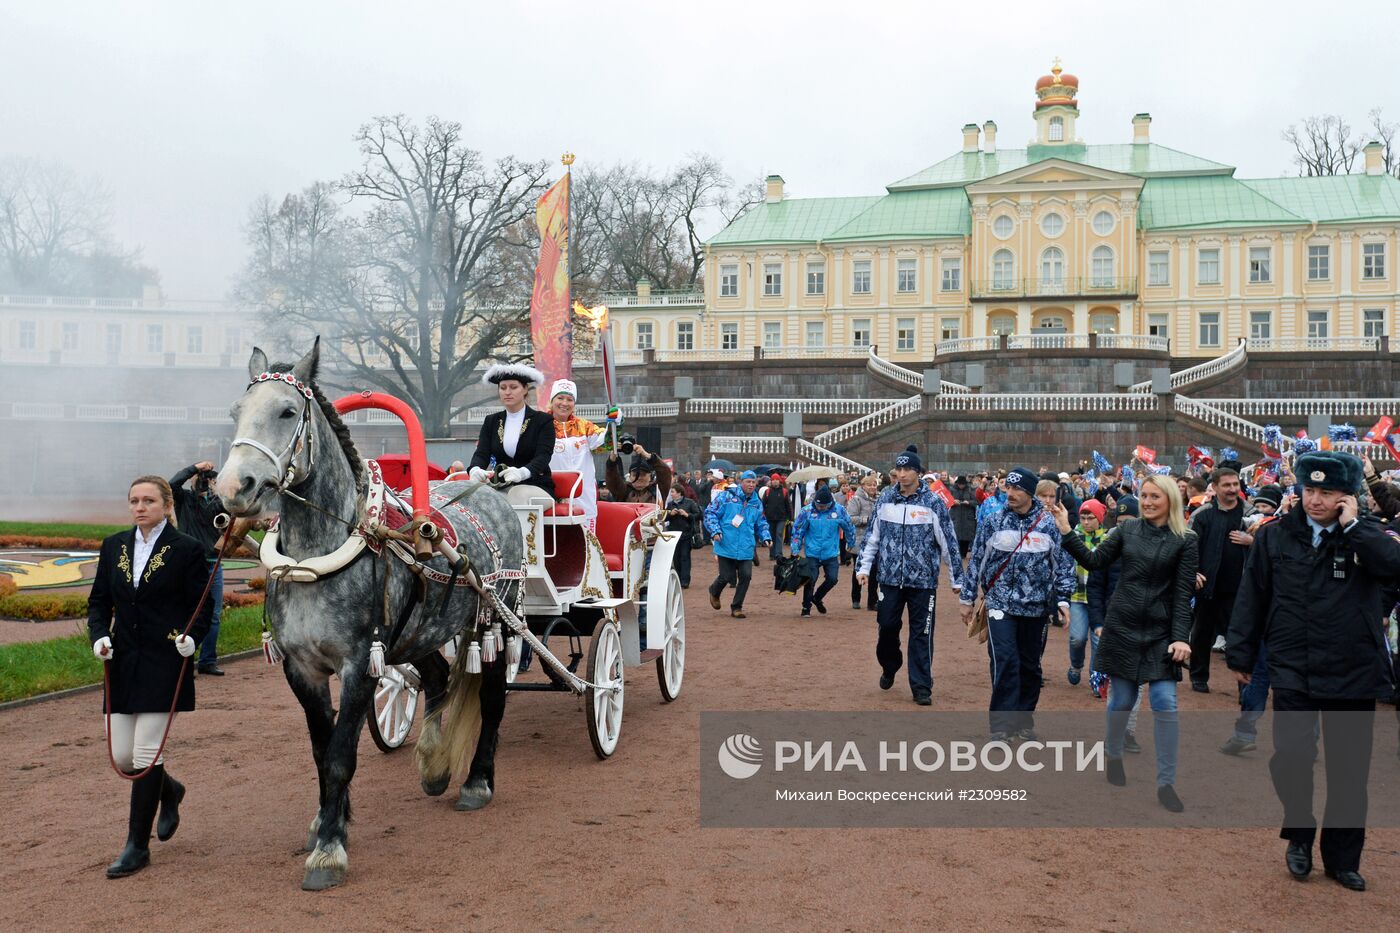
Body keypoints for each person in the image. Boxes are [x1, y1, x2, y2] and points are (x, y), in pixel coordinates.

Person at [1227, 451, 1400, 891]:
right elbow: (1253, 595)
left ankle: (1342, 859)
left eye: (1327, 492)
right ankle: (1299, 835)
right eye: (1309, 490)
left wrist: (1355, 527)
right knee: (1292, 759)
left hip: (1352, 668)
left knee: (1348, 771)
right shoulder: (1275, 537)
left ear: (1348, 496)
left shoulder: (1368, 535)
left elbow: (1393, 567)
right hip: (1293, 666)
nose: (1316, 500)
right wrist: (1242, 654)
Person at [88, 475, 215, 878]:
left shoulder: (187, 550)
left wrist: (192, 640)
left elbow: (202, 605)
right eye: (133, 501)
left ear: (166, 505)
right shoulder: (113, 547)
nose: (139, 507)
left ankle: (135, 848)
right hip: (122, 661)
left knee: (145, 757)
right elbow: (98, 602)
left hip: (166, 660)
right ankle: (170, 790)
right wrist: (99, 637)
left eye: (148, 500)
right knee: (125, 759)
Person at [1053, 475, 1197, 813]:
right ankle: (1113, 753)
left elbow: (1182, 592)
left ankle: (1166, 783)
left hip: (1162, 632)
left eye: (1154, 497)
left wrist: (1180, 637)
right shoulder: (1126, 531)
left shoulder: (1186, 540)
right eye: (1144, 495)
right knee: (1121, 701)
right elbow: (1094, 562)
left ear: (1171, 501)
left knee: (1165, 703)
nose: (1146, 502)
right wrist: (1065, 530)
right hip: (1123, 626)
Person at [960, 466, 1074, 738]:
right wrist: (967, 597)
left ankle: (1023, 721)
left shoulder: (1049, 524)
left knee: (1030, 666)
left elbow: (1063, 565)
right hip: (1000, 604)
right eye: (1008, 488)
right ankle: (1001, 727)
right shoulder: (993, 521)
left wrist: (1064, 600)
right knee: (1005, 660)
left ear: (1030, 492)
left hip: (1036, 607)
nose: (1010, 493)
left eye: (1017, 489)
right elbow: (977, 561)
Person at [857, 446, 963, 706]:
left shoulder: (933, 502)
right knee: (887, 628)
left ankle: (921, 685)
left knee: (922, 633)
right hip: (890, 578)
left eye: (907, 470)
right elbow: (873, 536)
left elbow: (948, 541)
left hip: (923, 581)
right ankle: (890, 665)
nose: (902, 475)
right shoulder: (885, 498)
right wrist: (863, 567)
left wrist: (957, 579)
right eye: (899, 470)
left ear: (917, 472)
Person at [1188, 466, 1250, 692]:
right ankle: (1199, 676)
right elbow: (1189, 547)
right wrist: (1193, 572)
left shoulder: (1250, 513)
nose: (1233, 489)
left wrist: (1251, 541)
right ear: (1214, 487)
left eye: (1235, 484)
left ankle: (1245, 685)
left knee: (1240, 637)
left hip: (1241, 589)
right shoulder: (1202, 514)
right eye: (1227, 485)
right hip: (1208, 586)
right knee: (1202, 633)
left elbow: (1269, 544)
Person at [169, 460, 227, 676]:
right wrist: (195, 468)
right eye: (200, 479)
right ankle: (185, 661)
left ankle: (208, 661)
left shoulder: (217, 502)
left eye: (208, 478)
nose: (203, 482)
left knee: (214, 614)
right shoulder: (183, 499)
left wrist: (217, 489)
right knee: (186, 613)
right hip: (188, 565)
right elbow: (172, 483)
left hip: (213, 564)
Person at [469, 363, 554, 506]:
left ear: (525, 389)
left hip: (537, 486)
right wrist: (475, 469)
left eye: (513, 387)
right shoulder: (491, 421)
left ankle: (523, 530)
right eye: (503, 388)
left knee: (517, 494)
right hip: (501, 486)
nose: (507, 392)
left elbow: (543, 456)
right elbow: (481, 453)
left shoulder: (542, 420)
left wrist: (522, 472)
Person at [703, 470, 772, 619]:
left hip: (746, 546)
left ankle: (737, 607)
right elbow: (710, 513)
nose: (751, 485)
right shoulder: (726, 496)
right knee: (726, 576)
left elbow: (761, 522)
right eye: (748, 481)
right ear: (741, 482)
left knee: (746, 576)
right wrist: (715, 531)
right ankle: (714, 591)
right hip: (726, 542)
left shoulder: (756, 503)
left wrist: (766, 536)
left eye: (753, 482)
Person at [1066, 498, 1117, 689]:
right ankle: (1076, 665)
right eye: (1083, 517)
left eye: (1091, 518)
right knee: (1077, 638)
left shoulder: (1109, 539)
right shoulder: (1073, 537)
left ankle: (1098, 680)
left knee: (1099, 641)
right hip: (1078, 596)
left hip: (1101, 598)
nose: (1086, 522)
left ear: (1100, 518)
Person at [546, 379, 610, 523]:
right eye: (560, 398)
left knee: (586, 545)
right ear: (552, 400)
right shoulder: (541, 425)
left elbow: (605, 444)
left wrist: (614, 426)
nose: (564, 403)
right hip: (552, 500)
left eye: (570, 399)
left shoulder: (584, 426)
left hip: (584, 501)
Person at [792, 486, 858, 617]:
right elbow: (798, 530)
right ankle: (806, 607)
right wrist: (795, 548)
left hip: (831, 552)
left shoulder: (839, 510)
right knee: (810, 579)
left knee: (832, 579)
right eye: (818, 505)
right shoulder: (807, 511)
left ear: (830, 503)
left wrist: (851, 543)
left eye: (824, 506)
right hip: (812, 552)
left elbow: (849, 527)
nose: (821, 508)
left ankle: (817, 597)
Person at [847, 473, 881, 610]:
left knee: (874, 572)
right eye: (869, 485)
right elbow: (850, 518)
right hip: (859, 540)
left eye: (874, 485)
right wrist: (867, 520)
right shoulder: (856, 499)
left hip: (875, 540)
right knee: (858, 569)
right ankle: (856, 598)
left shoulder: (879, 499)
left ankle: (872, 601)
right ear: (863, 486)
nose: (872, 487)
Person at [605, 440, 673, 505]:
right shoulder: (624, 491)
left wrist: (648, 455)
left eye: (643, 475)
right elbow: (612, 479)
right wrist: (612, 460)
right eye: (635, 475)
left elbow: (665, 472)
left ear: (650, 476)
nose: (639, 478)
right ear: (630, 477)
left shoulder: (658, 490)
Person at [662, 483, 703, 588]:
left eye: (673, 492)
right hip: (673, 535)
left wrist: (687, 515)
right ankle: (678, 579)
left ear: (679, 493)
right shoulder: (670, 504)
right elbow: (664, 518)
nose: (671, 494)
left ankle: (685, 581)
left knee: (685, 557)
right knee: (676, 558)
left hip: (686, 534)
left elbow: (698, 515)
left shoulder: (690, 503)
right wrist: (669, 514)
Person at [763, 474, 793, 560]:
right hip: (770, 517)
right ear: (771, 481)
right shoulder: (767, 492)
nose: (775, 481)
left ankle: (778, 554)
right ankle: (772, 554)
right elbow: (763, 504)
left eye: (776, 479)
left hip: (781, 517)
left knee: (779, 534)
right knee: (771, 536)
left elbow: (788, 505)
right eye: (773, 479)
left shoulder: (784, 491)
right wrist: (763, 515)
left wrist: (791, 517)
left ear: (779, 481)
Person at [949, 475, 978, 559]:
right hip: (956, 515)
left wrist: (968, 502)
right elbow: (946, 501)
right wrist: (953, 502)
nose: (961, 486)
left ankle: (963, 553)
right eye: (960, 484)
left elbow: (976, 501)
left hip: (967, 516)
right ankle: (956, 554)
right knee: (955, 535)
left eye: (963, 484)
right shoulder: (952, 490)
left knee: (966, 536)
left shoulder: (971, 490)